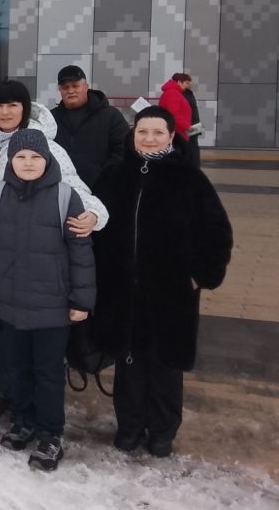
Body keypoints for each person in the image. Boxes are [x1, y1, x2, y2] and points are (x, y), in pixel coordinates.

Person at [92, 106, 231, 458]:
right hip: (123, 291)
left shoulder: (189, 179)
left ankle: (162, 431)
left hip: (171, 293)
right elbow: (96, 228)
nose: (149, 139)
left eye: (157, 133)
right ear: (133, 135)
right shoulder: (114, 175)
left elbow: (216, 232)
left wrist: (200, 276)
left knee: (164, 364)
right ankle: (130, 426)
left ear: (171, 136)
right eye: (142, 132)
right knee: (128, 363)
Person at [0, 79, 108, 419]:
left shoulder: (47, 147)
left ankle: (32, 403)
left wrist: (94, 214)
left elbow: (75, 188)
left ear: (25, 108)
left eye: (13, 105)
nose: (5, 112)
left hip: (35, 259)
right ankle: (0, 387)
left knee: (29, 338)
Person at [0, 129, 95, 471]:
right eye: (21, 157)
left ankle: (51, 433)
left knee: (48, 372)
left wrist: (81, 300)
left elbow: (81, 252)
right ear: (11, 160)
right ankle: (23, 420)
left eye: (35, 157)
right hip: (8, 302)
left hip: (51, 306)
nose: (28, 163)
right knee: (17, 368)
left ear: (47, 159)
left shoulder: (65, 197)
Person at [50, 65, 129, 188]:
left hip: (101, 190)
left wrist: (104, 178)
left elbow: (123, 150)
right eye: (65, 87)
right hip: (61, 189)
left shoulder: (111, 116)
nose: (70, 91)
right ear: (60, 90)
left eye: (75, 86)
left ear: (86, 86)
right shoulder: (51, 118)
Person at [172, 73, 203, 166]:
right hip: (187, 125)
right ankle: (193, 166)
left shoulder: (188, 93)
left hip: (193, 124)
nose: (190, 84)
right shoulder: (180, 94)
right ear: (179, 82)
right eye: (187, 82)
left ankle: (194, 166)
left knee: (193, 147)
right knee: (190, 148)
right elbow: (177, 112)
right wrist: (187, 126)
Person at [158, 76, 192, 142]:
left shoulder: (172, 92)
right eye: (186, 83)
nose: (187, 86)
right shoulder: (173, 93)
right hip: (177, 132)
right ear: (179, 82)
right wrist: (187, 127)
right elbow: (174, 114)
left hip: (175, 131)